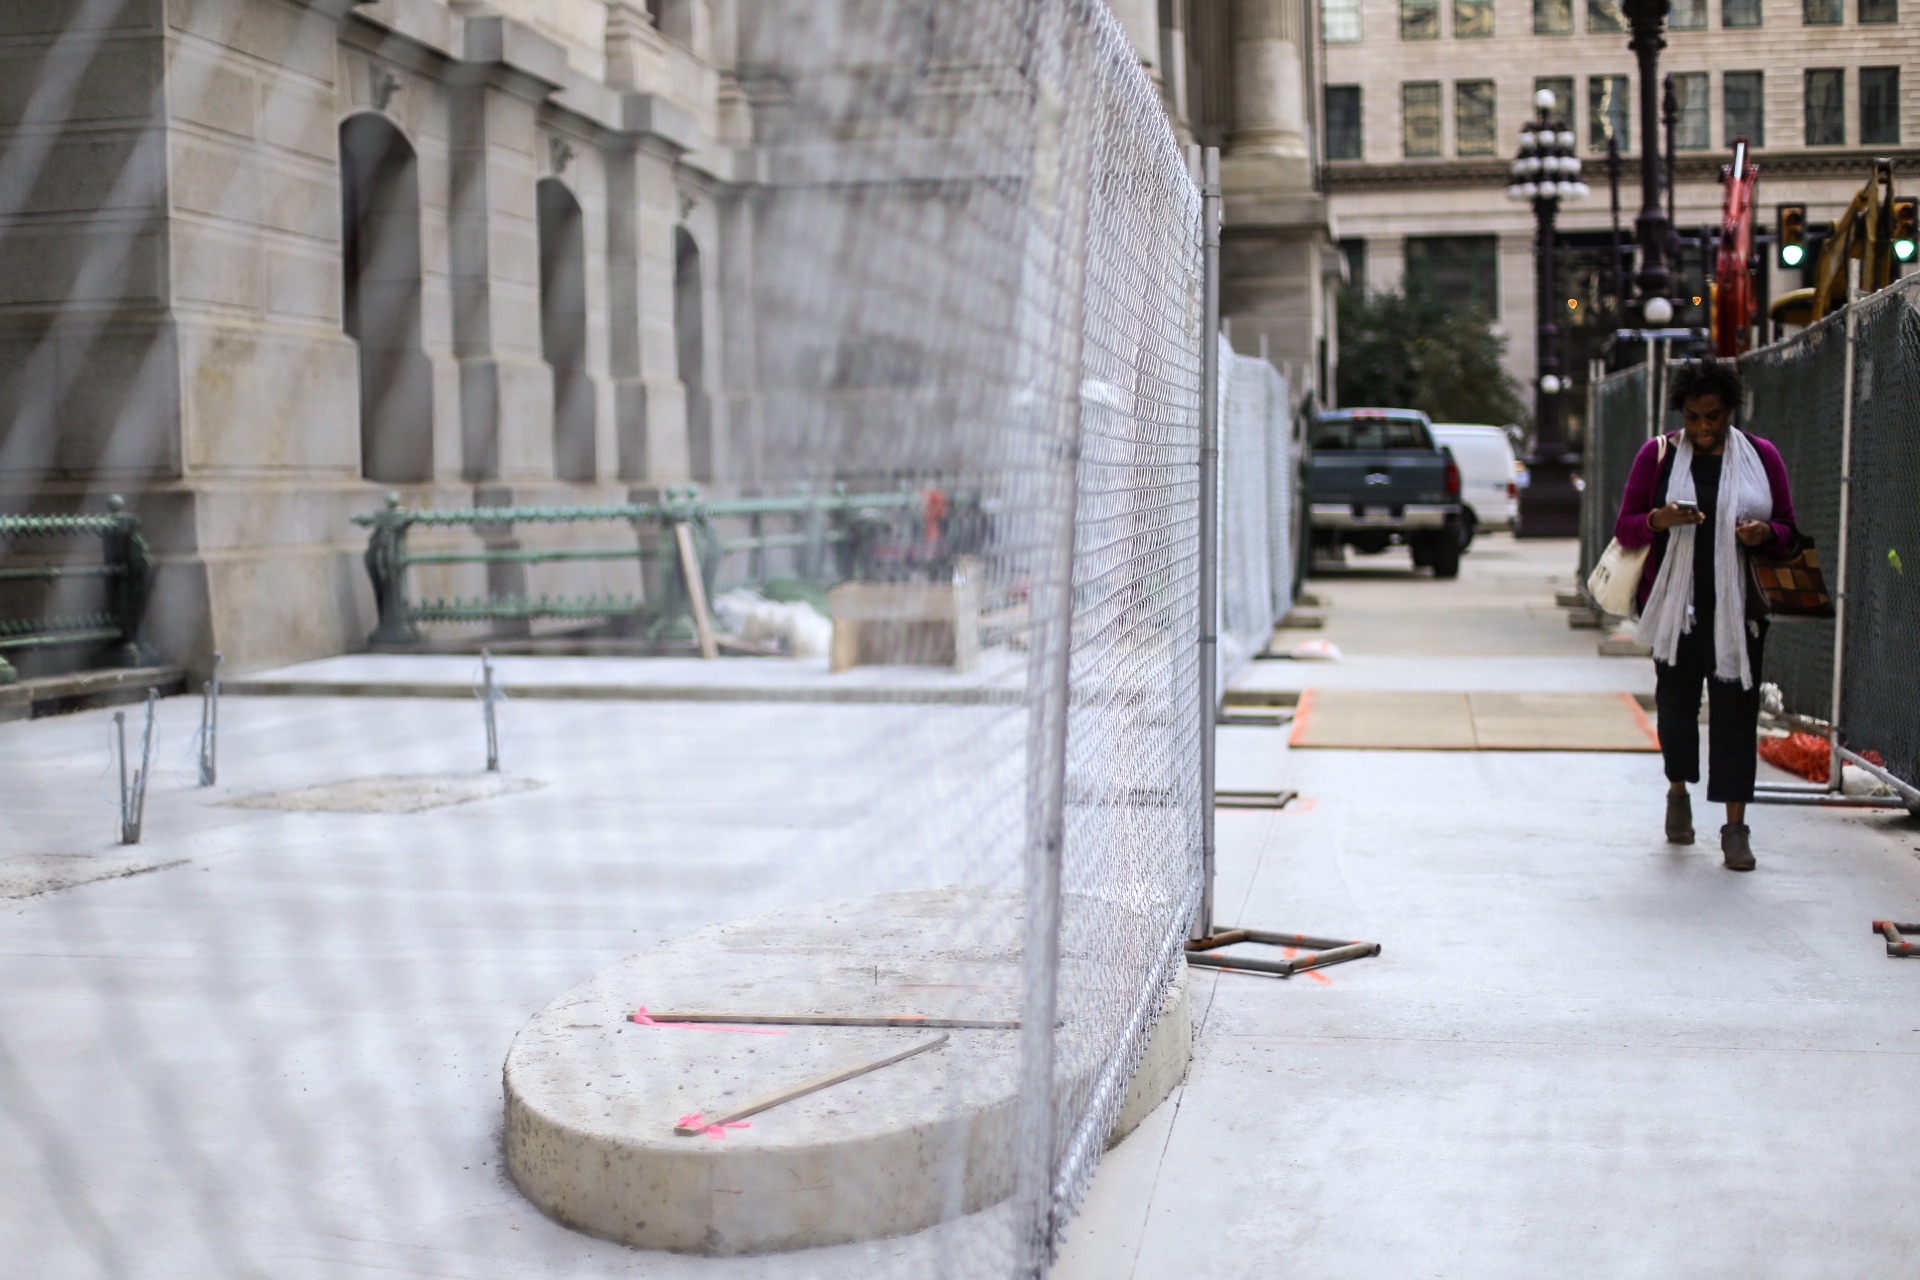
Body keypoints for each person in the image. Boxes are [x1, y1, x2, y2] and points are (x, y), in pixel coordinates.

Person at [1613, 358, 1799, 871]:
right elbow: (1625, 528)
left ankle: (1735, 829)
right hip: (1676, 614)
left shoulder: (1761, 457)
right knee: (1674, 713)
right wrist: (1660, 519)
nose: (1703, 428)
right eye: (1694, 418)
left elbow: (1787, 529)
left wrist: (1763, 534)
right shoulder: (1658, 457)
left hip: (1738, 614)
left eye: (1713, 416)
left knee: (1737, 720)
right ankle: (1678, 793)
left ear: (1729, 411)